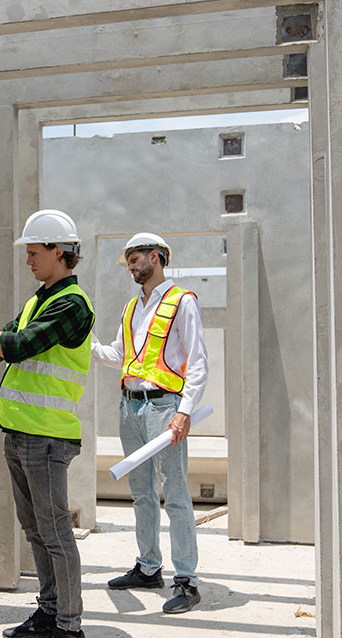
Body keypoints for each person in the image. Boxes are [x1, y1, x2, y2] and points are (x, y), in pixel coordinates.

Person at [0, 209, 94, 638]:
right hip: (22, 433)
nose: (28, 261)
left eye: (34, 252)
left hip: (47, 436)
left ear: (59, 253)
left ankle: (69, 626)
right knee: (36, 531)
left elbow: (14, 347)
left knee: (56, 532)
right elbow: (4, 336)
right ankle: (48, 612)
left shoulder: (71, 305)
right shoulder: (37, 301)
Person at [90, 232, 208, 615]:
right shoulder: (131, 308)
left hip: (164, 408)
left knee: (174, 493)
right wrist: (82, 344)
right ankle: (148, 567)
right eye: (128, 260)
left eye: (135, 258)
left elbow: (199, 363)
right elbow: (118, 354)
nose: (130, 265)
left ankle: (187, 580)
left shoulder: (182, 302)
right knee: (141, 493)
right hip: (130, 407)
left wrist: (184, 411)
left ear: (155, 257)